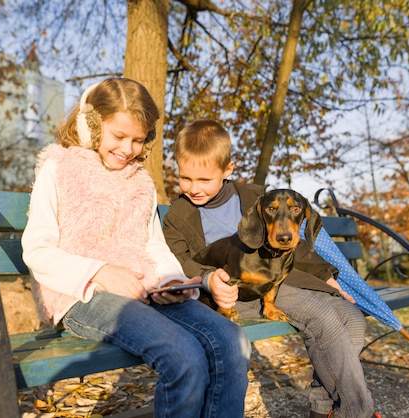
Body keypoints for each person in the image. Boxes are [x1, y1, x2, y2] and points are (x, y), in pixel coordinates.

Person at [21, 80, 251, 418]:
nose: (128, 149)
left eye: (138, 140)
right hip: (81, 295)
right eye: (119, 136)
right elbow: (37, 250)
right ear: (91, 126)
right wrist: (99, 271)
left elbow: (153, 245)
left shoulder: (140, 182)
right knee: (183, 355)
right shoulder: (58, 170)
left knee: (233, 342)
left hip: (144, 290)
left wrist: (172, 281)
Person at [162, 119, 380, 418]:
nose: (193, 188)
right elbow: (179, 259)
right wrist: (208, 277)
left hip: (280, 277)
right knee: (325, 319)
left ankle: (324, 409)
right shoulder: (178, 215)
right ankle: (358, 413)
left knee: (353, 318)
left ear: (228, 169)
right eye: (185, 178)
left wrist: (326, 276)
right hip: (238, 291)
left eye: (204, 180)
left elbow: (294, 243)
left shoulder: (256, 197)